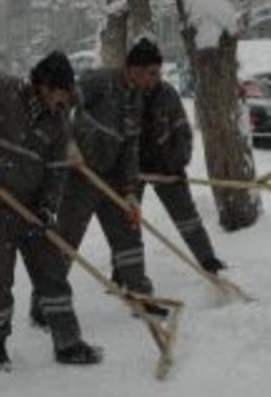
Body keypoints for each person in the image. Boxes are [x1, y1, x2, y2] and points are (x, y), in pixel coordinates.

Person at [0, 51, 102, 371]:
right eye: (61, 94)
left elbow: (56, 171)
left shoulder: (57, 121)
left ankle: (68, 343)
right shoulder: (2, 91)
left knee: (52, 272)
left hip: (31, 207)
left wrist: (46, 208)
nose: (64, 103)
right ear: (43, 85)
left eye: (68, 97)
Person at [32, 38, 166, 325]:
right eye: (152, 73)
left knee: (128, 236)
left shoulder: (136, 99)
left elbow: (130, 145)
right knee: (66, 240)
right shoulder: (99, 82)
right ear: (134, 69)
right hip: (81, 176)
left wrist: (129, 191)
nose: (156, 80)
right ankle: (44, 303)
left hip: (113, 179)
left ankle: (140, 295)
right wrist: (67, 144)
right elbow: (61, 105)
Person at [138, 77, 226, 276]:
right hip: (133, 168)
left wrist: (177, 165)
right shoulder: (127, 94)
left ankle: (207, 260)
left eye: (155, 71)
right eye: (147, 72)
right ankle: (123, 272)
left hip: (167, 166)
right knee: (127, 219)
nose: (151, 77)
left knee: (187, 216)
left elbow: (183, 131)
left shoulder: (167, 94)